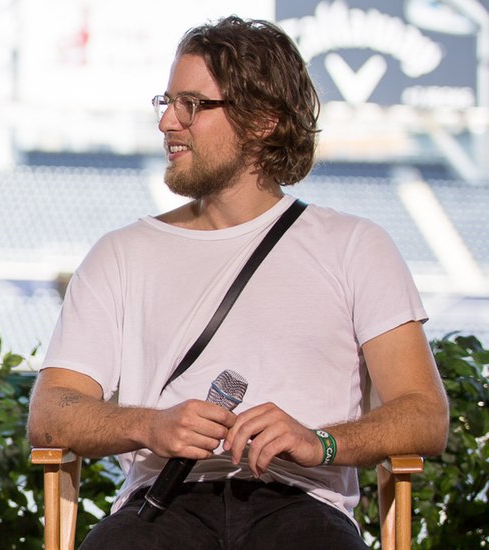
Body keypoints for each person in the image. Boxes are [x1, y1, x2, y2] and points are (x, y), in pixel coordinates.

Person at [28, 15, 449, 550]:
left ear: (263, 121)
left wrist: (318, 442)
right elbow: (50, 413)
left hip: (303, 508)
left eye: (193, 105)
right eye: (166, 102)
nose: (167, 124)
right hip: (161, 506)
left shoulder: (355, 246)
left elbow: (424, 414)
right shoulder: (120, 254)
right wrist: (150, 426)